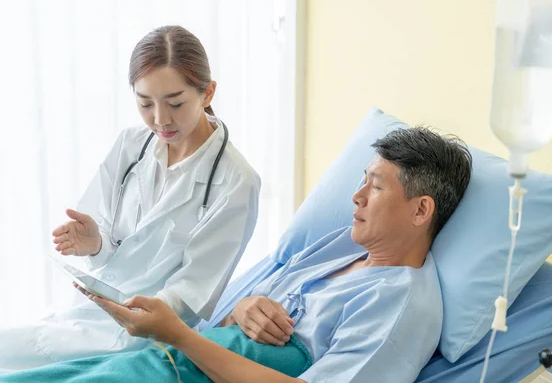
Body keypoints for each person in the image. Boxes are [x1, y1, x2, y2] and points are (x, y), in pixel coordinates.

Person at [0, 127, 472, 383]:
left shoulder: (402, 304)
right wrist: (242, 310)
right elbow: (228, 326)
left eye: (374, 187)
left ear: (420, 210)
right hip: (174, 354)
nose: (355, 197)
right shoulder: (341, 250)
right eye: (360, 181)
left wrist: (179, 335)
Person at [0, 25, 261, 370]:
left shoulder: (236, 182)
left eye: (175, 103)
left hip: (149, 331)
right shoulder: (130, 145)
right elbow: (110, 240)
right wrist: (95, 243)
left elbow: (193, 291)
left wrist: (136, 315)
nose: (160, 119)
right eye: (145, 103)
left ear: (208, 93)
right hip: (92, 311)